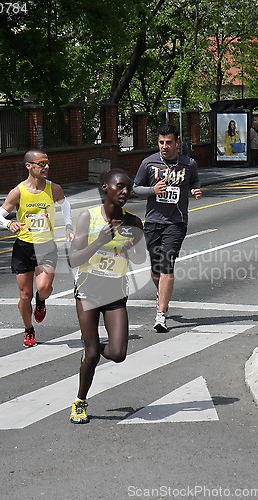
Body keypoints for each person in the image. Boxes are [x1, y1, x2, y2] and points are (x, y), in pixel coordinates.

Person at [68, 168, 146, 424]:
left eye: (128, 187)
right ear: (105, 187)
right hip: (89, 292)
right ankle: (80, 402)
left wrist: (128, 246)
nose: (125, 192)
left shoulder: (133, 222)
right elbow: (74, 259)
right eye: (120, 186)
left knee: (118, 353)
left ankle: (92, 349)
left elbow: (140, 258)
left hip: (114, 293)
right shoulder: (87, 218)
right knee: (91, 355)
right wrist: (100, 241)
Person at [0, 149, 74, 348]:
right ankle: (28, 329)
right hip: (24, 247)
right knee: (24, 295)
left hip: (46, 246)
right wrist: (9, 224)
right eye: (41, 164)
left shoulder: (54, 189)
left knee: (44, 288)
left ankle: (42, 300)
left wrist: (69, 227)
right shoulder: (18, 191)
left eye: (47, 163)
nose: (46, 167)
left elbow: (66, 207)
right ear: (29, 166)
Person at [133, 123, 202, 333]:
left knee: (166, 265)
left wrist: (196, 190)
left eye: (169, 142)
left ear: (177, 142)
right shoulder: (149, 163)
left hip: (176, 222)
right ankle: (161, 294)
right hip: (153, 221)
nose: (165, 146)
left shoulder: (188, 163)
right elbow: (136, 188)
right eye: (161, 142)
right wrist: (152, 190)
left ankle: (161, 315)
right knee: (156, 270)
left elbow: (195, 180)